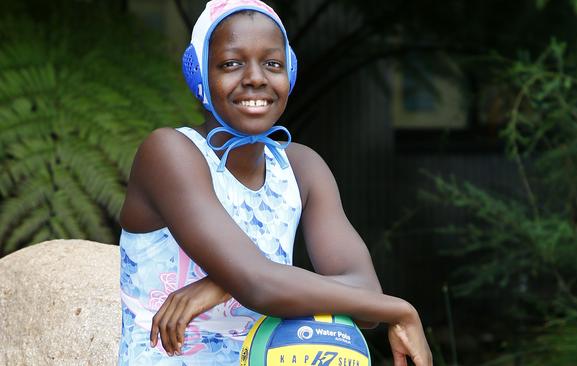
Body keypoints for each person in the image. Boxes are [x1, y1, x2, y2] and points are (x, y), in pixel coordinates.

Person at [118, 1, 433, 365]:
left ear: (290, 75)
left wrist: (223, 285)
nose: (255, 78)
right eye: (231, 64)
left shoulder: (301, 168)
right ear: (199, 75)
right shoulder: (171, 153)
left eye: (273, 64)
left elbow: (365, 295)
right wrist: (402, 310)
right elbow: (258, 285)